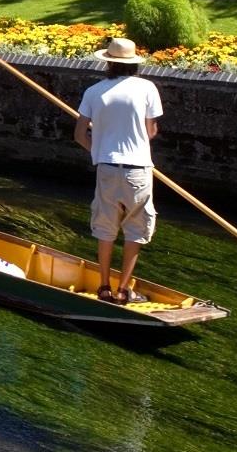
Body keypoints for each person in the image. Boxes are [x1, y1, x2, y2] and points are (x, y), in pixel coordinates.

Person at [73, 36, 163, 305]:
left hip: (107, 167)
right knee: (135, 229)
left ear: (108, 64)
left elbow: (79, 134)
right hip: (139, 169)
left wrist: (99, 148)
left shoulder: (93, 92)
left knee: (105, 228)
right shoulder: (147, 88)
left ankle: (103, 287)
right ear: (134, 63)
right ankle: (123, 291)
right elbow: (151, 132)